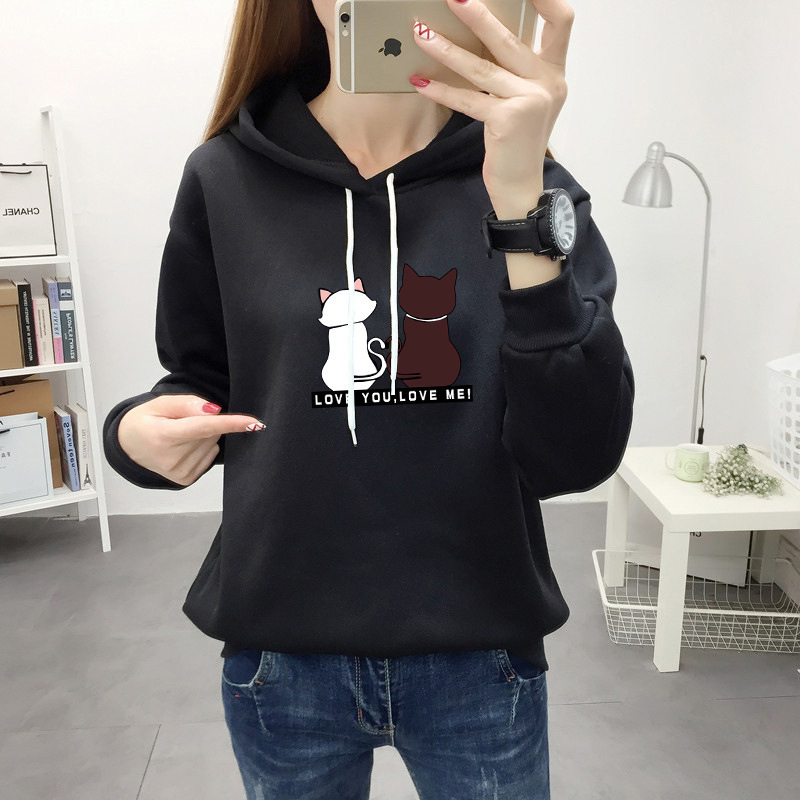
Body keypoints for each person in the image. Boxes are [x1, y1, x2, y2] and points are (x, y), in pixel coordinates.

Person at [102, 0, 635, 796]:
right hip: (283, 651)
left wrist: (519, 201)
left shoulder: (534, 187)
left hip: (480, 649)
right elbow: (198, 379)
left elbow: (577, 456)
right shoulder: (223, 176)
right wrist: (131, 434)